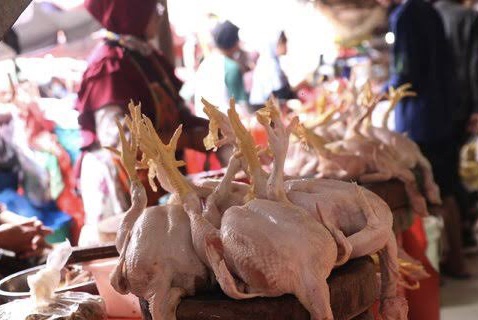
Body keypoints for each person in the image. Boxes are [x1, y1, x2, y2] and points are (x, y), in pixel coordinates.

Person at [76, 0, 209, 245]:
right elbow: (120, 141)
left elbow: (178, 112)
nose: (159, 16)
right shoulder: (109, 64)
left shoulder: (147, 57)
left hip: (158, 175)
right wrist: (186, 138)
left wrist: (211, 129)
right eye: (152, 8)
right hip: (125, 181)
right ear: (131, 11)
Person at [434, 0, 478, 247]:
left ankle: (459, 235)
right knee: (461, 170)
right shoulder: (467, 17)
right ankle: (465, 229)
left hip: (438, 109)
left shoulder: (430, 14)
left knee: (450, 171)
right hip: (462, 103)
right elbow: (474, 65)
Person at [194, 20, 248, 117]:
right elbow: (242, 107)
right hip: (225, 128)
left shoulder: (205, 64)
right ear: (235, 43)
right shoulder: (231, 68)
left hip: (204, 126)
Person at [249, 31, 294, 108]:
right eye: (284, 43)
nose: (286, 46)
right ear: (275, 44)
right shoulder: (270, 64)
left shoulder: (272, 61)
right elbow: (281, 94)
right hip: (262, 108)